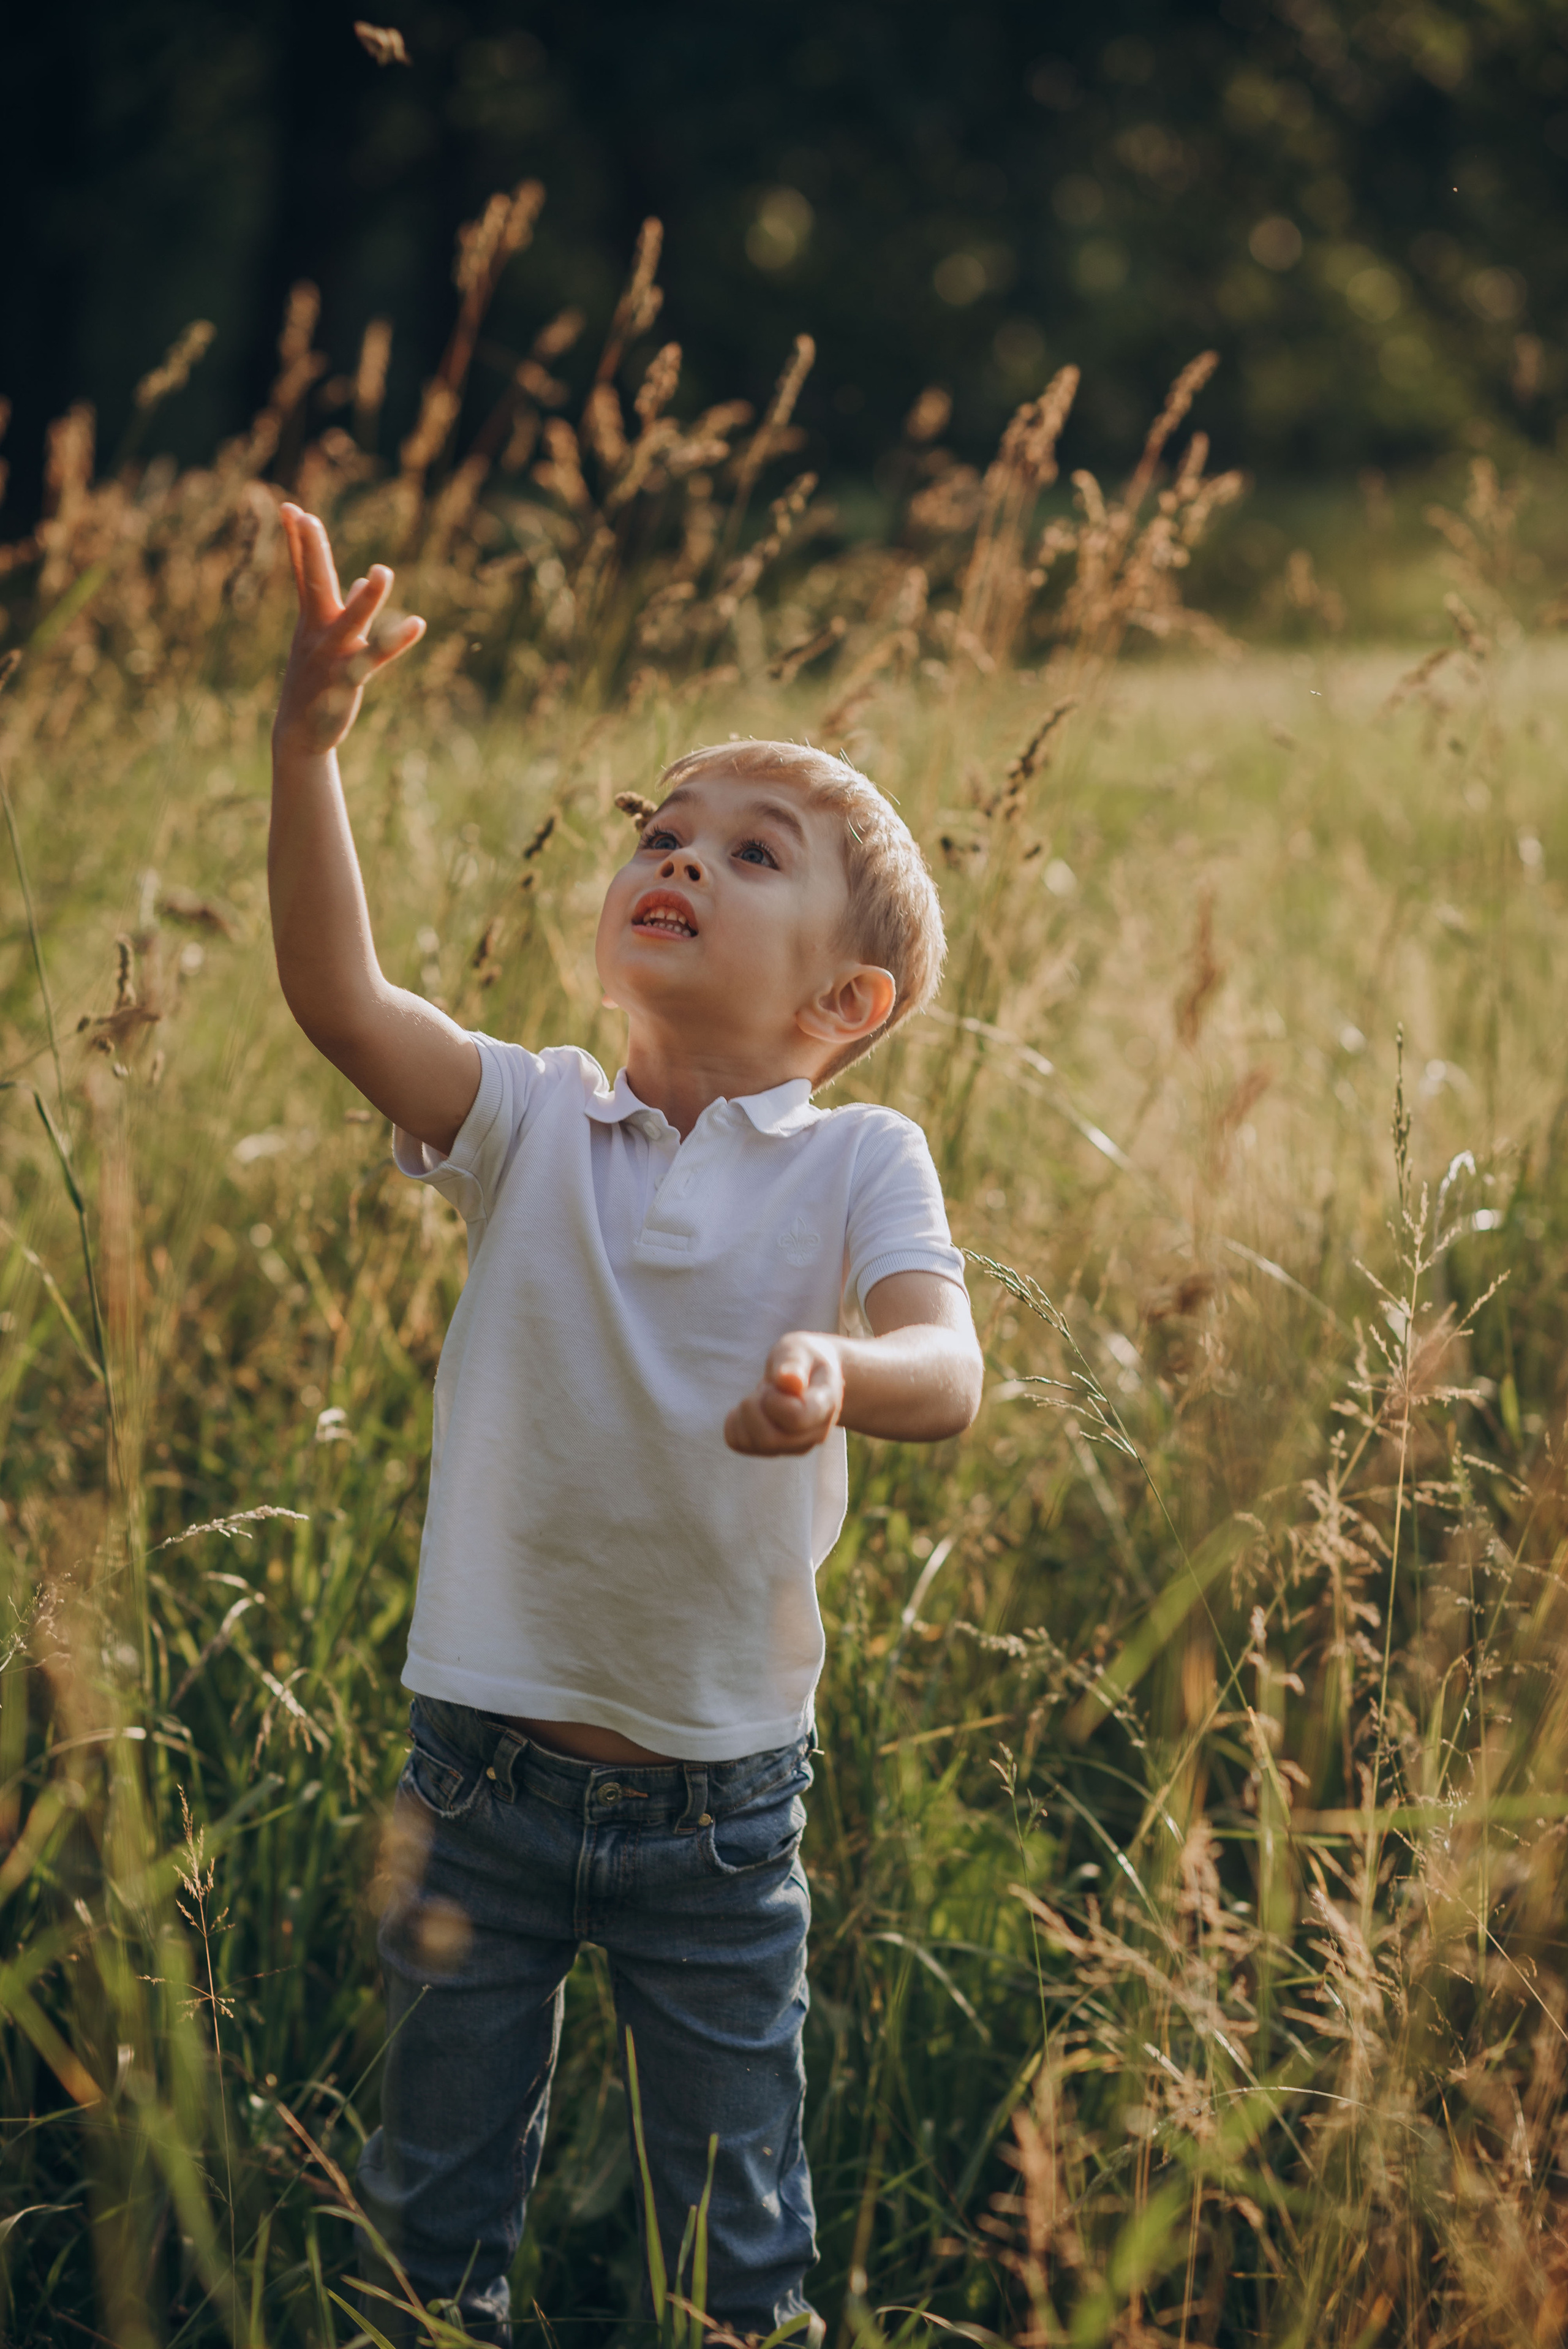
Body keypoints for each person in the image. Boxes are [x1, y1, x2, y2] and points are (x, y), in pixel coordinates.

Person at [268, 502, 984, 2342]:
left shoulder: (855, 1160)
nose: (680, 858)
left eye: (752, 852)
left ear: (846, 1001)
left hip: (724, 1815)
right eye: (660, 834)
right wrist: (306, 748)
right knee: (428, 2236)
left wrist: (839, 1376)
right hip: (479, 1774)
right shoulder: (530, 1119)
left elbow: (952, 1367)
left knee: (738, 2259)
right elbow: (341, 1002)